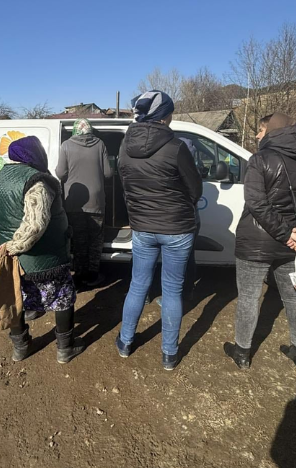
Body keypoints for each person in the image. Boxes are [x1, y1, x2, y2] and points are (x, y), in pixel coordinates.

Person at [224, 113, 296, 371]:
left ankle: (242, 352)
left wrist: (286, 234)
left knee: (248, 297)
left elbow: (256, 203)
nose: (258, 136)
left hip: (256, 241)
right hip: (291, 244)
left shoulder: (260, 160)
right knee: (295, 297)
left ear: (272, 131)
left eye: (261, 130)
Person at [115, 90, 202, 371]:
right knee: (172, 291)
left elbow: (126, 185)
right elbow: (195, 189)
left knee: (138, 286)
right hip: (176, 228)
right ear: (164, 116)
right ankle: (169, 354)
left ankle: (126, 342)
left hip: (142, 228)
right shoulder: (176, 147)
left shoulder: (124, 146)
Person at [0, 135, 84, 364]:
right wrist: (16, 246)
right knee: (62, 298)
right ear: (33, 155)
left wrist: (5, 248)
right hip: (45, 257)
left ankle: (20, 348)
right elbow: (35, 225)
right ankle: (65, 348)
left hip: (12, 259)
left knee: (17, 300)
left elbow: (0, 217)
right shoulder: (37, 182)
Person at [54, 118, 110, 287]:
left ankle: (79, 275)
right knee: (95, 239)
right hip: (96, 200)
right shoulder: (100, 144)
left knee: (79, 239)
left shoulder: (66, 145)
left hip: (75, 203)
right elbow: (108, 173)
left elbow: (60, 173)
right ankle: (92, 276)